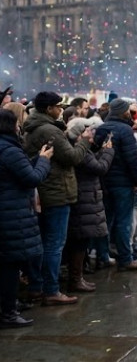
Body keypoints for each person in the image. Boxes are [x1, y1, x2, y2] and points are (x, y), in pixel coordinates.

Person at [22, 91, 94, 306]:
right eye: (57, 106)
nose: (60, 109)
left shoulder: (36, 127)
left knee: (43, 243)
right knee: (54, 243)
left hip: (45, 190)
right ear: (48, 109)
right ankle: (51, 290)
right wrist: (84, 142)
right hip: (56, 192)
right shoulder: (49, 130)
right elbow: (71, 157)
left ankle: (38, 287)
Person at [0, 109, 52, 328]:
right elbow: (31, 178)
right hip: (11, 215)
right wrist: (43, 160)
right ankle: (9, 313)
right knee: (10, 265)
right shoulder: (9, 150)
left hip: (7, 212)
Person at [95, 97, 137, 272]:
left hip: (104, 181)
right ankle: (126, 258)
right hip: (123, 182)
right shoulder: (125, 130)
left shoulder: (101, 128)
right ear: (123, 111)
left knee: (106, 221)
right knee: (124, 222)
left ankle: (103, 256)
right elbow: (132, 159)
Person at [65, 117, 113, 293]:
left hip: (86, 196)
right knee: (79, 240)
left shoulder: (82, 150)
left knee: (81, 240)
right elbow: (99, 168)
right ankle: (75, 279)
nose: (91, 138)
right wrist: (108, 152)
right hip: (83, 197)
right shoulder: (80, 152)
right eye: (88, 134)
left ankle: (78, 278)